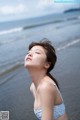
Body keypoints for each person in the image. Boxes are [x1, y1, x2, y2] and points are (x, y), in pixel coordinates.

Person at [24, 38, 68, 120]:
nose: (29, 54)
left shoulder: (46, 86)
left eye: (37, 52)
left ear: (47, 64)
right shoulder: (33, 87)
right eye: (28, 52)